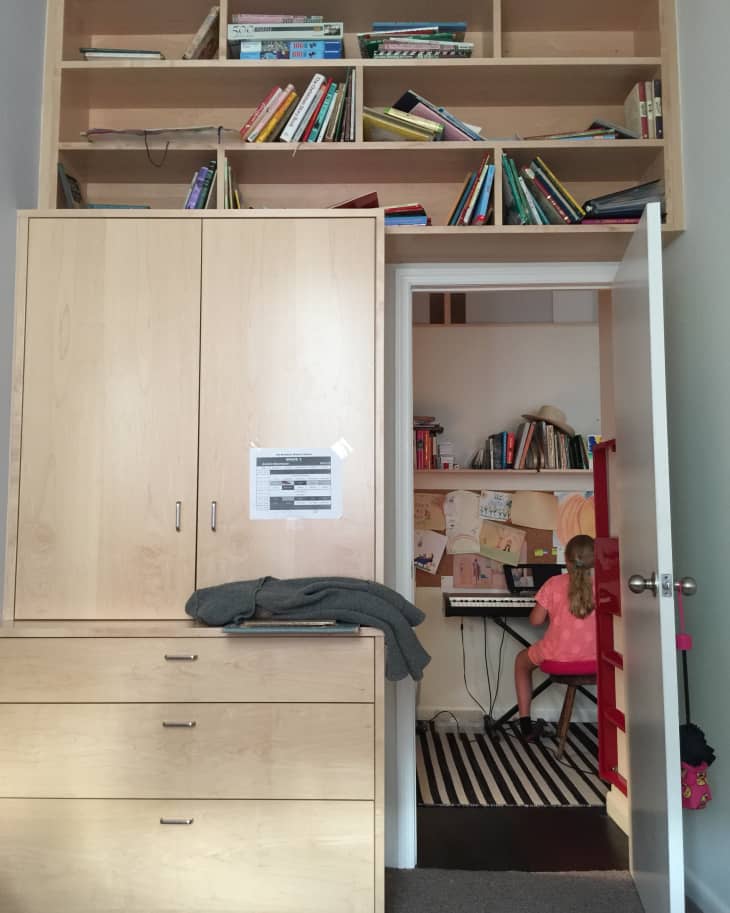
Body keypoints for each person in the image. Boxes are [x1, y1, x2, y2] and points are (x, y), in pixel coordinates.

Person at [513, 534, 596, 742]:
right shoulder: (604, 586)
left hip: (558, 658)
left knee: (521, 662)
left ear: (566, 560)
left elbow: (535, 621)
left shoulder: (554, 583)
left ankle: (525, 725)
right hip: (595, 660)